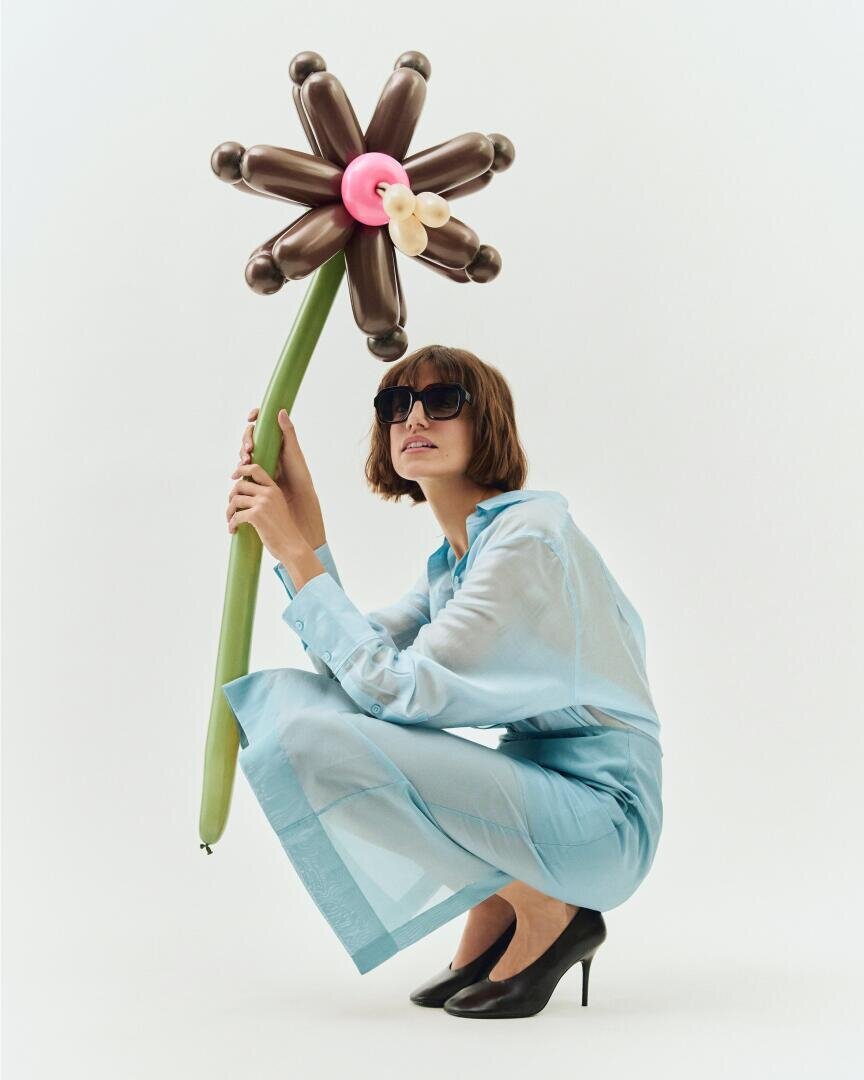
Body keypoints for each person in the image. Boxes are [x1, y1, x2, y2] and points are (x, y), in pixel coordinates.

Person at [221, 344, 663, 1019]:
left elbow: (396, 692)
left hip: (602, 821)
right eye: (396, 405)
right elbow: (347, 674)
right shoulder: (457, 558)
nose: (414, 416)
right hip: (547, 807)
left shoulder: (526, 543)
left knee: (313, 738)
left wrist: (291, 550)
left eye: (442, 400)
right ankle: (499, 900)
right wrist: (304, 531)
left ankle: (548, 909)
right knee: (307, 714)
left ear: (486, 422)